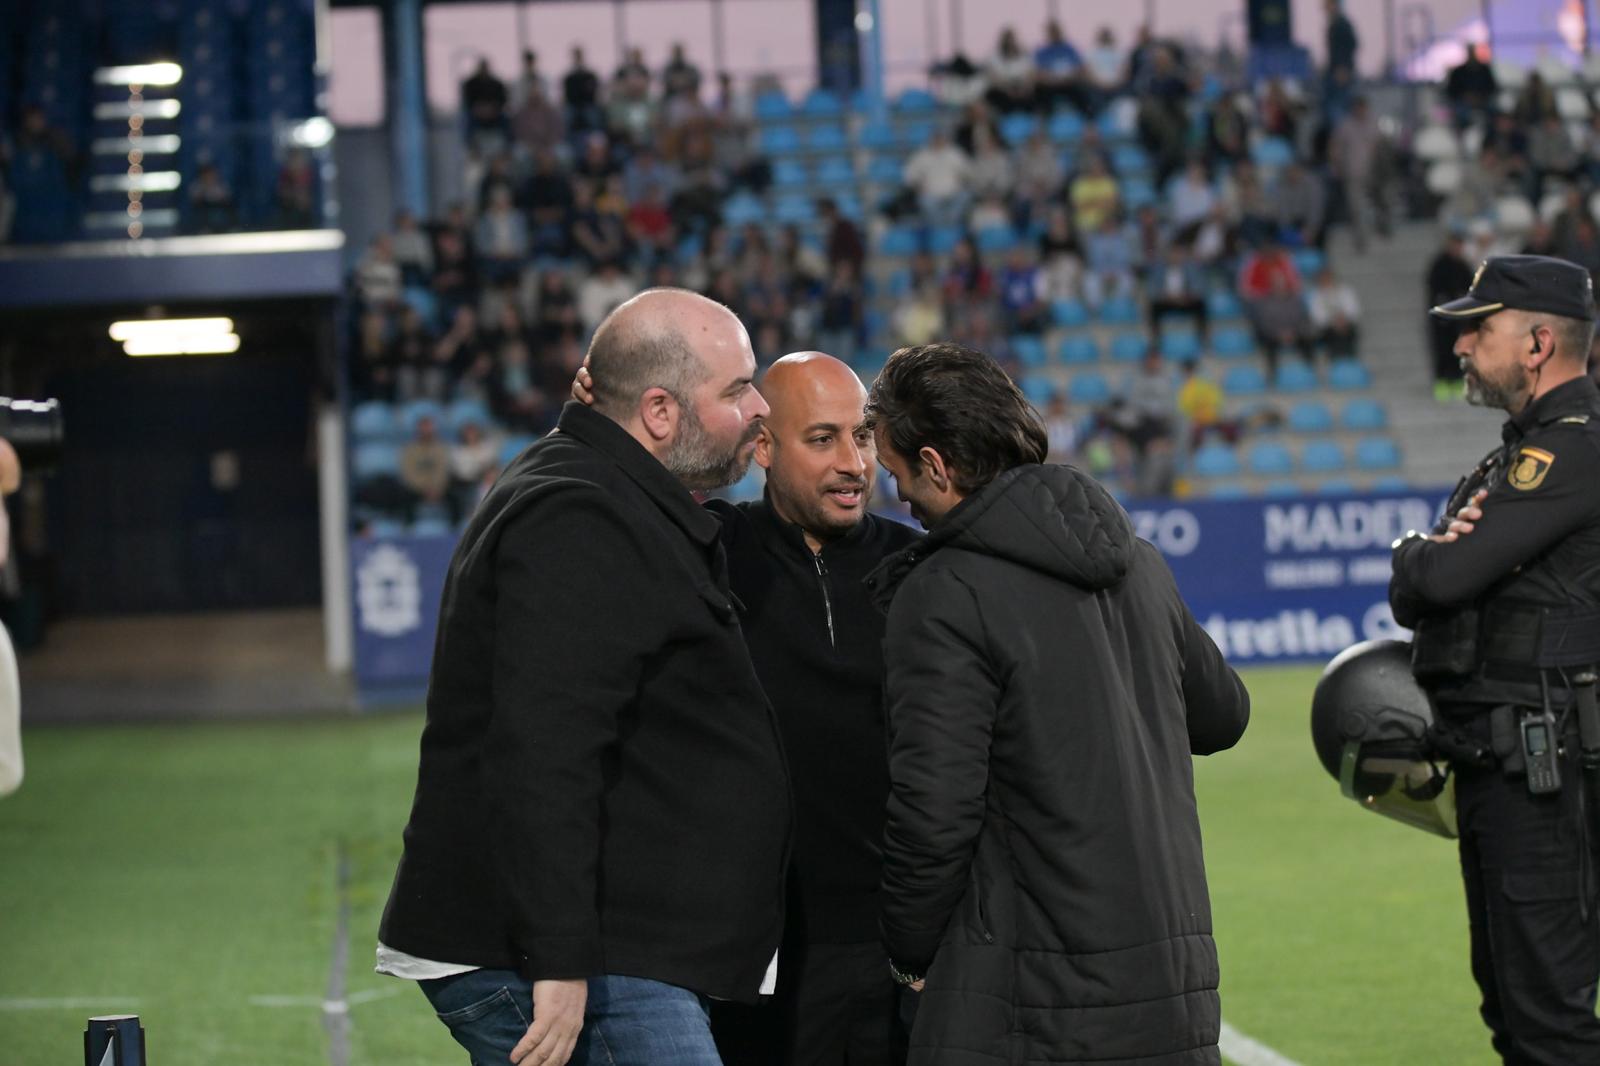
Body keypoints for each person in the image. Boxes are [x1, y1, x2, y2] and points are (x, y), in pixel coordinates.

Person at [377, 289, 791, 1066]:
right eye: (739, 389)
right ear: (660, 412)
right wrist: (560, 959)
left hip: (611, 943)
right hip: (578, 958)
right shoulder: (580, 514)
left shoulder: (600, 484)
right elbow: (544, 748)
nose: (761, 407)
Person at [861, 342, 1249, 1065]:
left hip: (1029, 1000)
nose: (899, 496)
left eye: (896, 472)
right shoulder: (1140, 564)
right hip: (1175, 991)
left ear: (937, 466)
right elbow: (1224, 713)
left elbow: (934, 811)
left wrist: (907, 952)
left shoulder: (945, 592)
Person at [576, 352, 922, 1065]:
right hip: (757, 953)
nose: (853, 463)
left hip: (899, 946)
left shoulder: (920, 567)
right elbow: (607, 506)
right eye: (822, 439)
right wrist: (598, 416)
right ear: (763, 446)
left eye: (862, 436)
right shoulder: (710, 550)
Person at [1392, 254, 1600, 1065]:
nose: (1461, 346)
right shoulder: (1526, 453)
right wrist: (1428, 562)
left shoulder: (1569, 453)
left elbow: (1438, 579)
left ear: (1539, 343)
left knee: (1547, 1024)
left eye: (1480, 330)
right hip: (1509, 762)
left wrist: (1414, 554)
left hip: (1546, 773)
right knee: (1516, 1013)